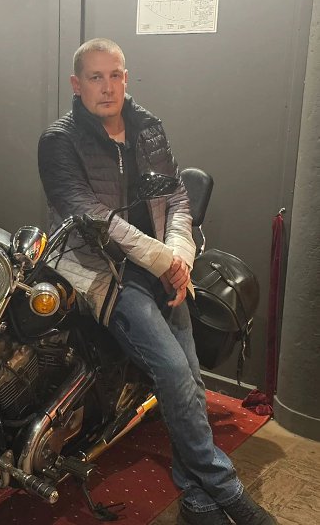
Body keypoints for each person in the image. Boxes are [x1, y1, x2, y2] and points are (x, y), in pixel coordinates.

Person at [37, 38, 276, 525]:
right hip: (104, 270)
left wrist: (179, 257)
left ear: (126, 78)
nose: (107, 87)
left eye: (115, 75)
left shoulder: (148, 127)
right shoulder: (59, 140)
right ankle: (225, 488)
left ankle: (196, 497)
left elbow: (178, 199)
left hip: (162, 267)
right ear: (76, 84)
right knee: (172, 372)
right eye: (96, 77)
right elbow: (90, 214)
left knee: (190, 378)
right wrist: (163, 260)